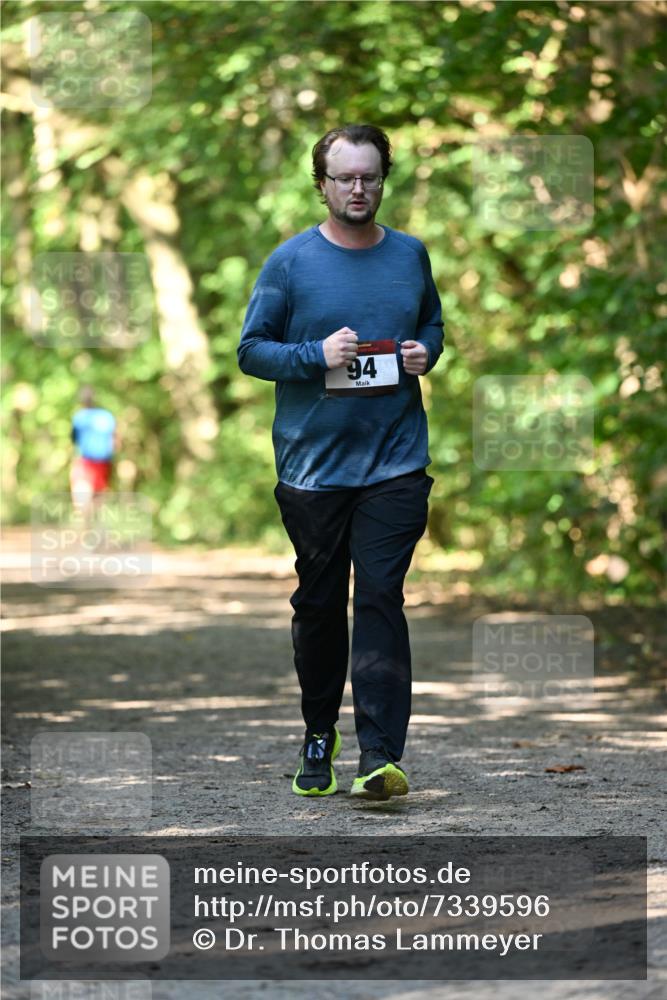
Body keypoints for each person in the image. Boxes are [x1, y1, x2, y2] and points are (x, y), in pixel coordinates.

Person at [237, 124, 444, 800]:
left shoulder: (410, 254)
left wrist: (423, 355)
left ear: (384, 178)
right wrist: (314, 356)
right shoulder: (289, 263)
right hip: (313, 469)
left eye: (369, 176)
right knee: (320, 605)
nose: (358, 188)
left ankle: (380, 756)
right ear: (321, 183)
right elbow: (251, 351)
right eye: (344, 177)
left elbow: (432, 324)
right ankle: (318, 732)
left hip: (395, 463)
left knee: (381, 596)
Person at [70, 386, 117, 515]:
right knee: (98, 499)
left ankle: (87, 527)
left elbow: (73, 440)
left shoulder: (79, 417)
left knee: (82, 500)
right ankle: (96, 528)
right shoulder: (107, 416)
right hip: (102, 462)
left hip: (86, 463)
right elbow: (114, 441)